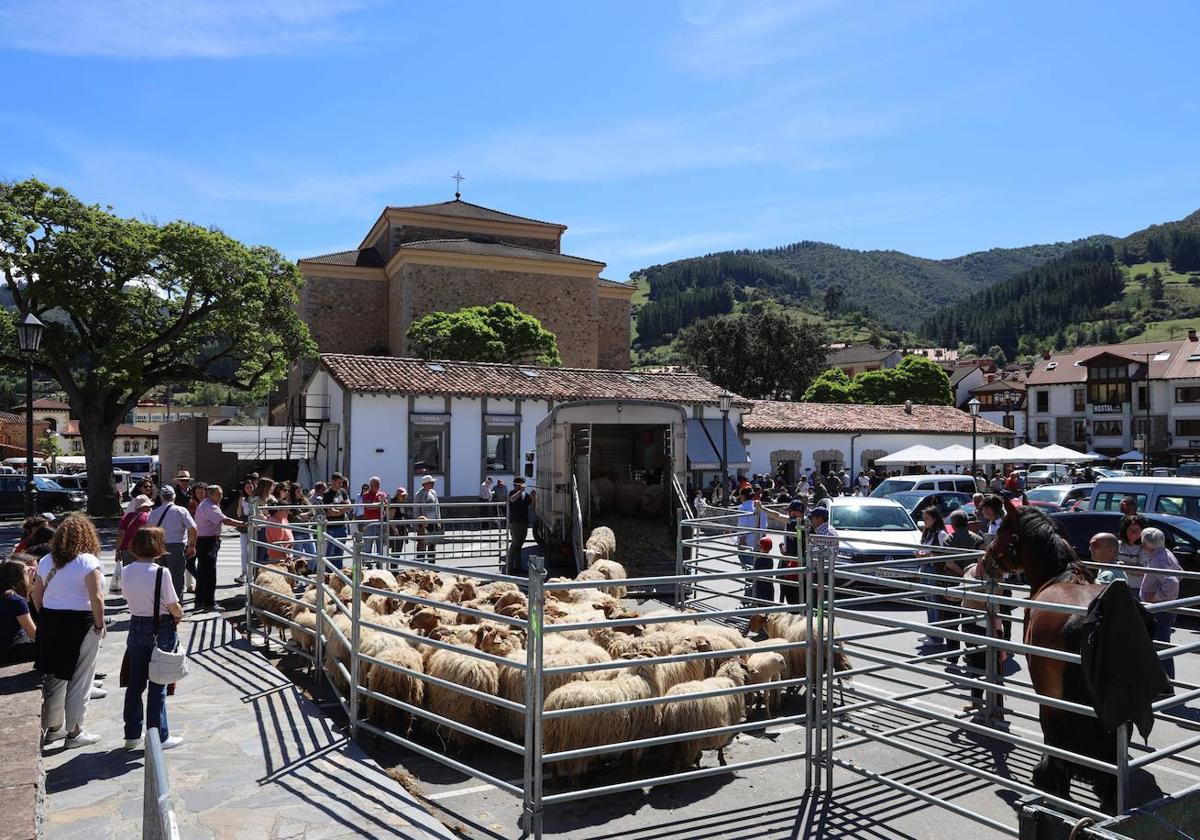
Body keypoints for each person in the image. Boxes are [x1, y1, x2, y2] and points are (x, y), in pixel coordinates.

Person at [33, 516, 106, 749]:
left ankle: (53, 728)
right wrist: (99, 624)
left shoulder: (46, 561)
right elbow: (96, 598)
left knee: (55, 676)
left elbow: (36, 595)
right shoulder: (87, 561)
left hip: (50, 619)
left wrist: (45, 614)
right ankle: (74, 731)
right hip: (79, 621)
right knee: (80, 678)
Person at [120, 527, 184, 751]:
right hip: (160, 627)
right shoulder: (160, 572)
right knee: (158, 684)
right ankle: (158, 735)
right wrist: (179, 615)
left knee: (135, 683)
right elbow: (173, 605)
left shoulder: (126, 570)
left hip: (136, 624)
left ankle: (131, 733)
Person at [1139, 527, 1182, 679]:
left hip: (1161, 609)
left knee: (1160, 645)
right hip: (1164, 608)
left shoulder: (1158, 559)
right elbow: (1179, 574)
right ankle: (1163, 681)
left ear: (1147, 543)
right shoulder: (1165, 553)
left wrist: (1156, 597)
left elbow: (1172, 583)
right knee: (1159, 644)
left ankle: (1166, 683)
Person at [193, 485, 243, 613]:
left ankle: (200, 601)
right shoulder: (210, 506)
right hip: (207, 541)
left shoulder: (206, 504)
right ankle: (209, 603)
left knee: (203, 572)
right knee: (209, 573)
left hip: (205, 540)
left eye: (221, 494)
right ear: (210, 495)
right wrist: (243, 524)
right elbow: (225, 520)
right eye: (218, 494)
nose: (221, 497)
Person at [146, 487, 196, 604]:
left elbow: (148, 531)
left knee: (159, 576)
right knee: (177, 577)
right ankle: (177, 604)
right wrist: (191, 545)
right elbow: (193, 528)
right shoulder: (181, 510)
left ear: (161, 497)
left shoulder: (154, 512)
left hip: (159, 547)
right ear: (174, 497)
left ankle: (161, 602)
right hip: (177, 546)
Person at [917, 507, 958, 653]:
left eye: (927, 518)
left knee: (935, 602)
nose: (925, 521)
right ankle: (932, 632)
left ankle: (937, 636)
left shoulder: (941, 534)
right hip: (926, 569)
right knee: (929, 602)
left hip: (934, 569)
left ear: (934, 519)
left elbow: (944, 553)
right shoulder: (927, 533)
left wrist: (928, 556)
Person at [113, 494, 153, 593]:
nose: (150, 507)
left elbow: (121, 535)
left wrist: (117, 550)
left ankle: (130, 593)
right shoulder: (149, 517)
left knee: (129, 573)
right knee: (144, 572)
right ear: (144, 506)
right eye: (148, 506)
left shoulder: (126, 517)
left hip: (127, 549)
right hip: (143, 549)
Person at [1, 558, 37, 664]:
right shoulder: (17, 601)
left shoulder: (5, 595)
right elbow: (34, 634)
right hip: (10, 650)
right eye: (27, 572)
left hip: (4, 646)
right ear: (18, 578)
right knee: (55, 646)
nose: (31, 573)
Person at [322, 474, 351, 570]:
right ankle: (328, 574)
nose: (340, 484)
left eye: (341, 482)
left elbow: (349, 506)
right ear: (333, 482)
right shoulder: (327, 494)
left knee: (340, 553)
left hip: (342, 526)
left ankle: (337, 575)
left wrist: (338, 510)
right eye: (339, 482)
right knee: (330, 553)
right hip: (331, 528)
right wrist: (343, 509)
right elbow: (331, 512)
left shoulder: (342, 491)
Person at [506, 477, 534, 575]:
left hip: (524, 522)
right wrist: (520, 491)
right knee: (514, 544)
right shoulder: (512, 493)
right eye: (521, 483)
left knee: (519, 546)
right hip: (515, 522)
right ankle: (509, 568)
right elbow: (512, 499)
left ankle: (518, 566)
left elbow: (530, 505)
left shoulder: (525, 495)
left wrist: (533, 496)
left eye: (524, 484)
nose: (523, 485)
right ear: (516, 484)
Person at [1117, 514, 1149, 595]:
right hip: (1118, 587)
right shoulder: (1117, 545)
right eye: (1130, 529)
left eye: (1137, 529)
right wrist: (1132, 567)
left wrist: (1123, 565)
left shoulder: (1145, 547)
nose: (1134, 533)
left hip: (1137, 588)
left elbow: (1143, 571)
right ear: (1125, 530)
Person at [288, 485, 318, 570]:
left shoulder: (304, 500)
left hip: (307, 531)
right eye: (298, 491)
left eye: (301, 491)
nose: (300, 493)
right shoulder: (290, 502)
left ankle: (309, 572)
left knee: (313, 554)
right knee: (298, 556)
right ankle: (297, 576)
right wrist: (303, 516)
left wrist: (302, 515)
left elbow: (312, 511)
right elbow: (293, 517)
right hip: (297, 532)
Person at [413, 475, 441, 562]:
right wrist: (418, 524)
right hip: (424, 523)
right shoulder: (419, 495)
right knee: (422, 543)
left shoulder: (433, 493)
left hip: (433, 522)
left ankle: (431, 563)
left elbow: (437, 507)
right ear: (426, 484)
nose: (433, 484)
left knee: (432, 543)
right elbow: (416, 509)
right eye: (431, 482)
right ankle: (421, 564)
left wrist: (439, 520)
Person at [233, 477, 255, 585]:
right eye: (247, 487)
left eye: (251, 487)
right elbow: (238, 514)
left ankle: (253, 573)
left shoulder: (257, 498)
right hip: (245, 524)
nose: (249, 489)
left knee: (254, 550)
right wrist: (240, 503)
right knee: (244, 551)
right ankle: (244, 573)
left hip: (255, 525)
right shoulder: (243, 499)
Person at [360, 476, 386, 555]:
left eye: (378, 484)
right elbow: (368, 506)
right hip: (369, 523)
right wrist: (379, 505)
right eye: (376, 484)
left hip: (380, 522)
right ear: (371, 485)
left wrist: (379, 505)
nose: (378, 486)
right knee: (367, 545)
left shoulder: (382, 494)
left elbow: (385, 506)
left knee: (380, 545)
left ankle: (379, 563)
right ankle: (368, 564)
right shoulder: (365, 495)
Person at [388, 488, 410, 557]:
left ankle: (395, 565)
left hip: (401, 528)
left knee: (398, 548)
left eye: (405, 496)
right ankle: (393, 565)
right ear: (397, 495)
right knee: (395, 548)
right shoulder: (394, 504)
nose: (404, 497)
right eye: (402, 496)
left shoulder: (402, 503)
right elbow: (390, 518)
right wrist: (395, 529)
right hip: (395, 529)